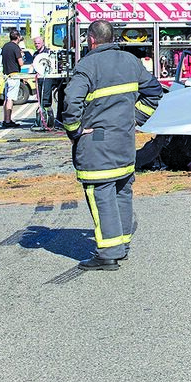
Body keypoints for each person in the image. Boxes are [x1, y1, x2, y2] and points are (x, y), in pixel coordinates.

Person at [63, 19, 163, 271]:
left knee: (101, 194)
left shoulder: (87, 66)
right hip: (124, 141)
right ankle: (122, 245)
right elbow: (154, 91)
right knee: (122, 191)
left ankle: (109, 252)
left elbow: (70, 101)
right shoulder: (130, 61)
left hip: (98, 143)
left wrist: (75, 131)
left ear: (91, 40)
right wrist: (136, 118)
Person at [0, 29, 24, 129]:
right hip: (14, 75)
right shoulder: (15, 47)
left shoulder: (5, 46)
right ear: (17, 37)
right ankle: (8, 120)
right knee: (10, 98)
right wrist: (22, 55)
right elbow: (21, 63)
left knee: (6, 98)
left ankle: (5, 119)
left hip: (6, 75)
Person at [32, 36, 57, 130]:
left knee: (46, 101)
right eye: (35, 43)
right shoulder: (35, 54)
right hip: (39, 79)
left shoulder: (48, 53)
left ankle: (50, 123)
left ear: (42, 43)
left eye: (38, 43)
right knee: (40, 101)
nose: (37, 45)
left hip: (47, 79)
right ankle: (41, 121)